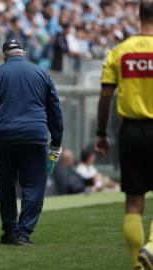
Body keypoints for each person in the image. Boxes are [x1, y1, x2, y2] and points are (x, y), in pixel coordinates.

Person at [0, 39, 63, 245]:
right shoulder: (42, 73)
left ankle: (10, 230)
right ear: (24, 53)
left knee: (6, 185)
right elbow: (54, 109)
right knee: (33, 185)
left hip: (4, 137)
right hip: (35, 136)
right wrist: (56, 140)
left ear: (5, 56)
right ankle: (23, 232)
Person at [95, 1, 153, 269]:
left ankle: (137, 264)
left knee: (133, 202)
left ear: (139, 15)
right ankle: (151, 247)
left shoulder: (120, 51)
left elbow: (106, 94)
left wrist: (101, 132)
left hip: (130, 130)